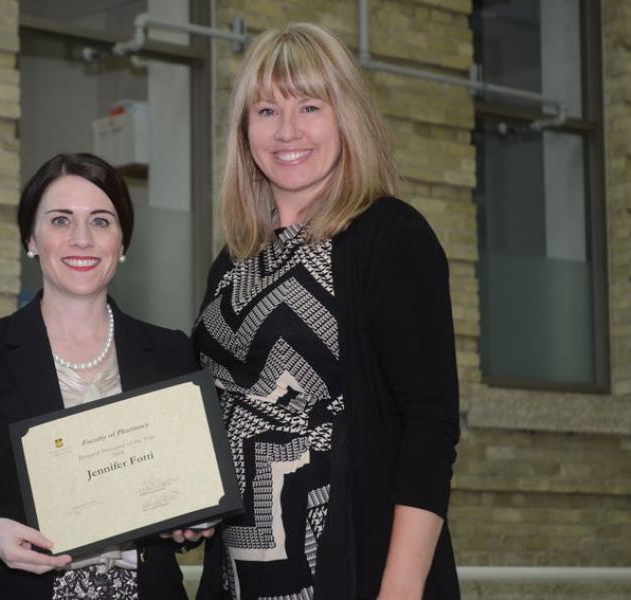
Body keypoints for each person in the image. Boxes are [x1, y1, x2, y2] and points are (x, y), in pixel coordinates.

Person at [191, 24, 460, 600]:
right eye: (267, 110)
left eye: (309, 106)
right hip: (240, 571)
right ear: (245, 130)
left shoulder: (390, 236)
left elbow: (430, 423)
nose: (287, 131)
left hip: (346, 565)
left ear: (347, 118)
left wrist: (401, 587)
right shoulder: (235, 259)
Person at [0, 152, 199, 599]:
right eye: (61, 221)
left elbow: (185, 496)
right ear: (31, 237)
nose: (81, 239)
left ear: (122, 241)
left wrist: (191, 521)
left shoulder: (171, 352)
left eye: (101, 221)